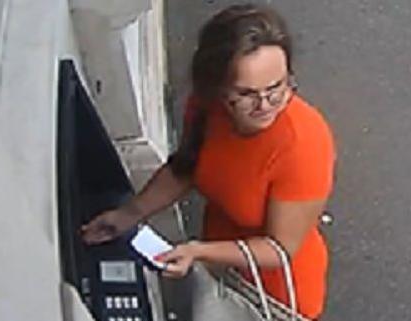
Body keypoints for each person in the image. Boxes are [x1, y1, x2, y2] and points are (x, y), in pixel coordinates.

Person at [81, 3, 335, 320]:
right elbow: (185, 168)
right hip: (218, 267)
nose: (265, 106)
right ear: (216, 86)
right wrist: (129, 214)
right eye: (246, 93)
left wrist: (199, 251)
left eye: (278, 88)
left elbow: (280, 250)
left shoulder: (304, 142)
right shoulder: (205, 107)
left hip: (271, 293)